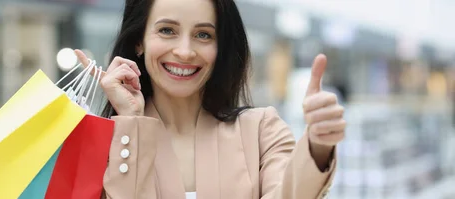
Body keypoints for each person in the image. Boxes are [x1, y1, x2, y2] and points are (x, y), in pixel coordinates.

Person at [74, 0, 346, 198]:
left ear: (221, 46)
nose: (185, 51)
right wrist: (131, 121)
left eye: (203, 35)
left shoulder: (261, 130)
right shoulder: (108, 142)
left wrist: (318, 146)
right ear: (139, 41)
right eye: (167, 30)